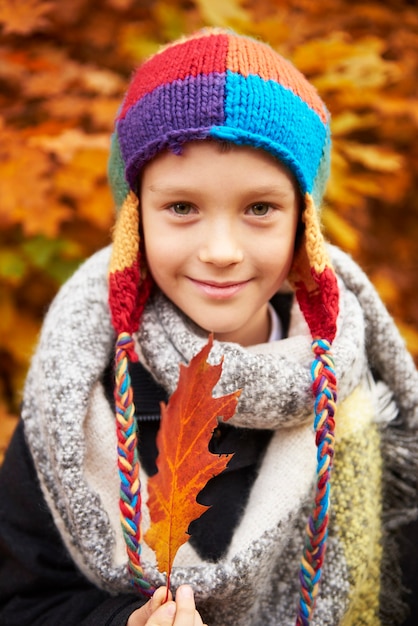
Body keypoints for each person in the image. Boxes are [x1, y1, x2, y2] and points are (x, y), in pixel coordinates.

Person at [0, 27, 417, 626]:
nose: (221, 249)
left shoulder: (363, 379)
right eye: (182, 208)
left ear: (305, 225)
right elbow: (22, 598)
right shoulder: (81, 391)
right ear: (135, 219)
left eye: (259, 209)